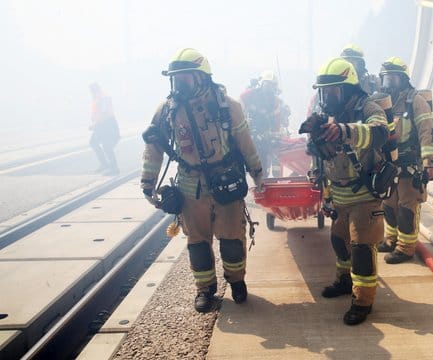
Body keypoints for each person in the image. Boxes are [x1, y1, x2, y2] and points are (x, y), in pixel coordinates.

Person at [140, 48, 263, 312]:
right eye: (176, 79)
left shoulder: (229, 107)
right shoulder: (166, 110)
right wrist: (147, 183)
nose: (180, 85)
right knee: (197, 243)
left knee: (231, 241)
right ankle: (205, 290)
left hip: (227, 183)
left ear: (202, 78)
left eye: (186, 78)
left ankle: (237, 282)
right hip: (189, 187)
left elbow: (245, 144)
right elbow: (153, 148)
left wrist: (258, 175)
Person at [300, 57, 390, 325]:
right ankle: (343, 280)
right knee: (340, 242)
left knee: (362, 249)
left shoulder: (368, 107)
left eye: (333, 91)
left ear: (348, 89)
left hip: (364, 193)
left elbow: (380, 132)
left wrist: (345, 131)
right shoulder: (326, 114)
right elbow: (317, 153)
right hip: (338, 194)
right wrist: (314, 143)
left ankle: (362, 301)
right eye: (323, 92)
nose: (326, 97)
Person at [376, 57, 433, 264]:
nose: (389, 84)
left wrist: (429, 162)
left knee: (406, 208)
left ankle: (406, 248)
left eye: (393, 79)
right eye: (386, 79)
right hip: (389, 165)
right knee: (389, 205)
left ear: (403, 79)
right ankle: (391, 239)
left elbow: (427, 132)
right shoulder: (381, 103)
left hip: (409, 164)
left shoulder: (415, 101)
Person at [240, 70, 291, 177]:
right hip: (251, 136)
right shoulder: (249, 96)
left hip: (265, 138)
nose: (268, 90)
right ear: (260, 85)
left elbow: (276, 123)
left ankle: (269, 180)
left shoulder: (275, 102)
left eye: (271, 87)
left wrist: (275, 136)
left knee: (268, 163)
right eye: (267, 85)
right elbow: (238, 110)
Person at [89, 83, 120, 175]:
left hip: (107, 124)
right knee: (94, 142)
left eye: (91, 91)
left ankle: (114, 168)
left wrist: (95, 124)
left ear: (95, 90)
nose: (91, 93)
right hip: (101, 124)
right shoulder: (98, 98)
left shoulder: (103, 98)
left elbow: (104, 113)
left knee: (107, 146)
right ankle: (105, 164)